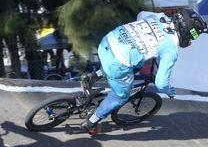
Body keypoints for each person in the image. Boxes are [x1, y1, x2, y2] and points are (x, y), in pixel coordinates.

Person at [80, 9, 208, 134]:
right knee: (120, 96)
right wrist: (169, 91)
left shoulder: (159, 16)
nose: (192, 39)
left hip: (108, 41)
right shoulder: (171, 48)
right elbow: (161, 83)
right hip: (117, 62)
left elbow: (141, 14)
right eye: (193, 36)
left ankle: (92, 77)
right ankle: (91, 122)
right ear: (186, 30)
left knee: (137, 63)